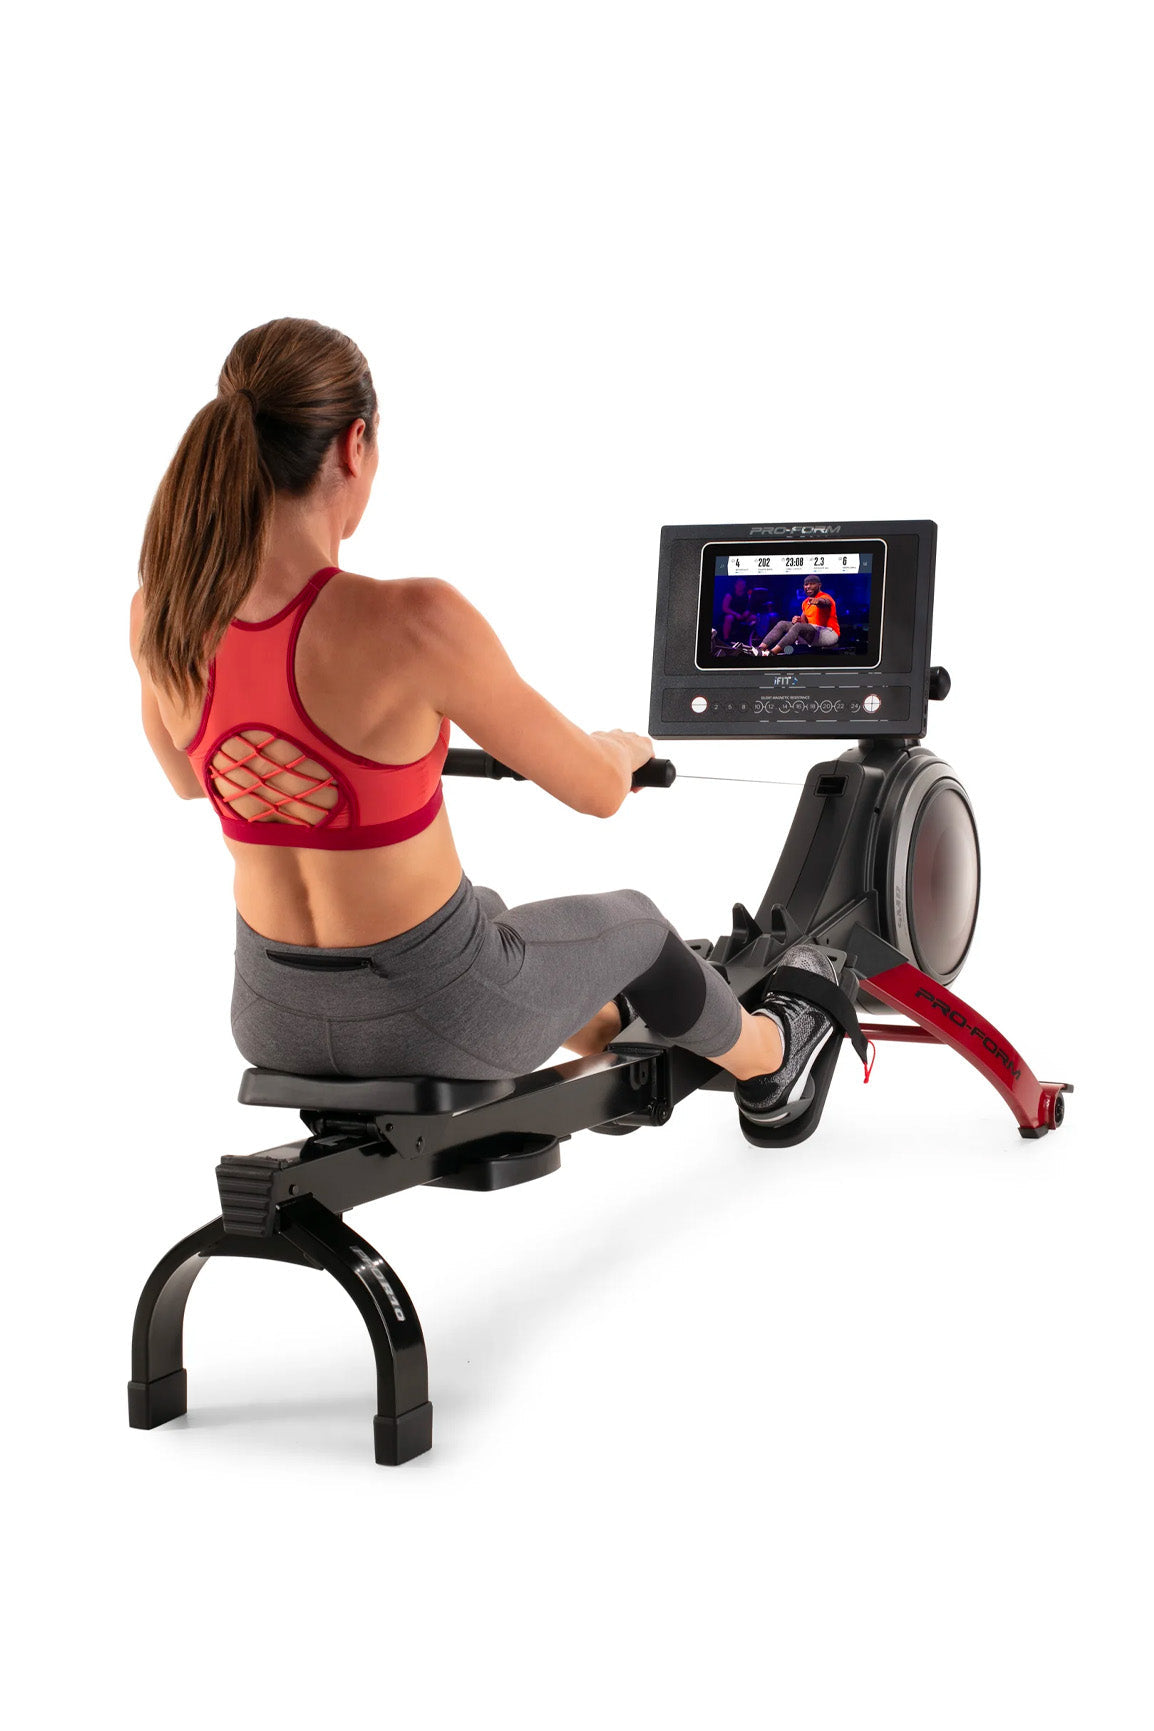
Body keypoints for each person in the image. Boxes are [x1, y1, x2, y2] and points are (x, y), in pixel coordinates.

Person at [130, 317, 841, 1126]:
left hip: (271, 1015)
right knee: (642, 926)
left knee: (487, 905)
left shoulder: (160, 610)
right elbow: (599, 793)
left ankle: (605, 1039)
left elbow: (189, 779)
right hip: (433, 1018)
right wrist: (619, 748)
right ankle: (773, 1061)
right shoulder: (413, 619)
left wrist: (354, 767)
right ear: (354, 445)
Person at [757, 575, 839, 655]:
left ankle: (772, 653)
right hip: (815, 634)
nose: (808, 586)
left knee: (798, 626)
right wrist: (798, 619)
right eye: (806, 584)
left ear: (819, 585)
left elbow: (826, 602)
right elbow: (804, 623)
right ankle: (760, 649)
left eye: (812, 584)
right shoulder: (805, 602)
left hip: (829, 634)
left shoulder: (825, 597)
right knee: (782, 624)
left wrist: (818, 601)